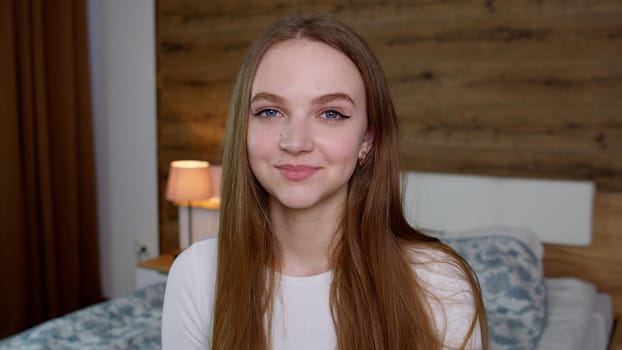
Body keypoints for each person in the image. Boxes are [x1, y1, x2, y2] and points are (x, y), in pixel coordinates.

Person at [162, 14, 487, 350]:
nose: (296, 141)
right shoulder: (197, 274)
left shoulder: (439, 283)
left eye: (331, 113)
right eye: (269, 112)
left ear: (368, 139)